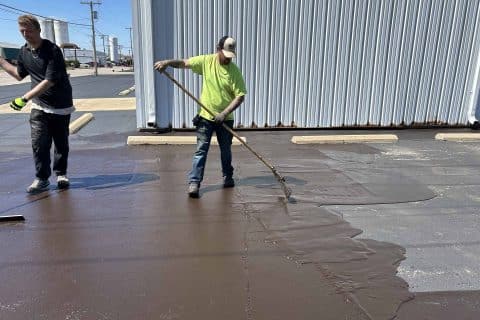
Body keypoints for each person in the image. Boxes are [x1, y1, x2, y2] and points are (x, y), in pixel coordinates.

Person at [154, 36, 247, 198]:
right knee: (201, 150)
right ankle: (194, 182)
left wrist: (224, 114)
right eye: (225, 54)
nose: (227, 59)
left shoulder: (234, 71)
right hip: (205, 117)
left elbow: (240, 96)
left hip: (226, 118)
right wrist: (167, 63)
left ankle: (228, 176)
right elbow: (184, 63)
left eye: (230, 56)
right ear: (218, 49)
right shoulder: (207, 61)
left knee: (226, 150)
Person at [0, 15, 74, 193]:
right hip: (39, 105)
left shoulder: (52, 50)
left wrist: (24, 98)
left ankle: (61, 173)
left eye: (29, 30)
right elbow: (19, 74)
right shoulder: (24, 51)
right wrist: (1, 61)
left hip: (61, 104)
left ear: (38, 30)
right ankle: (42, 178)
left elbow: (49, 80)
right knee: (39, 143)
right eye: (22, 31)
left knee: (61, 142)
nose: (26, 34)